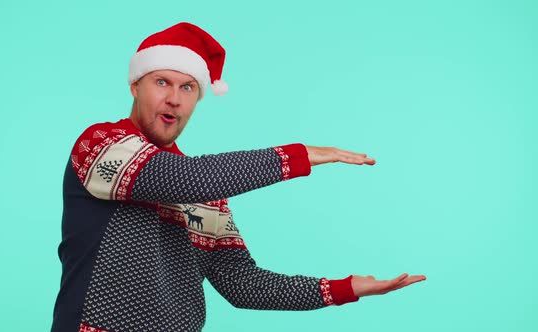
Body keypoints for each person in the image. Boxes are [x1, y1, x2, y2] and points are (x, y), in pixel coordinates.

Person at [51, 22, 425, 332]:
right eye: (161, 82)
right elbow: (180, 178)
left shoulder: (209, 193)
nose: (174, 99)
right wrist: (300, 156)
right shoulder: (100, 144)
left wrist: (347, 288)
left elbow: (242, 284)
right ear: (135, 86)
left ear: (198, 99)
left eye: (188, 87)